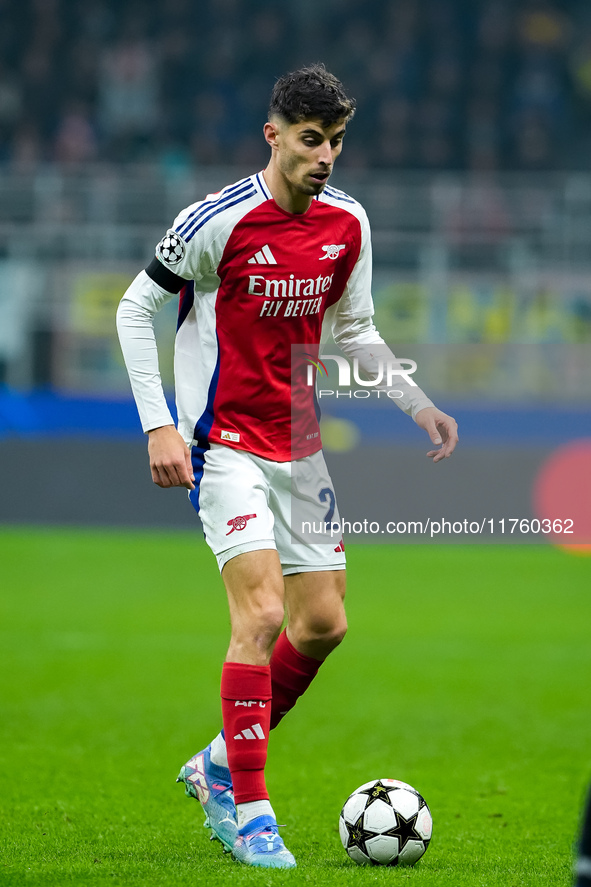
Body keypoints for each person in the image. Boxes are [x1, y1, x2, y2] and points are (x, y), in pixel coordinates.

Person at [116, 63, 458, 870]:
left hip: (299, 445)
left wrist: (418, 404)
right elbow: (136, 306)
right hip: (225, 442)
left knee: (324, 623)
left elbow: (357, 331)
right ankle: (250, 807)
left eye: (336, 141)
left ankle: (216, 764)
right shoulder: (217, 220)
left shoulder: (348, 224)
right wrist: (159, 425)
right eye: (311, 140)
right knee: (262, 614)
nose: (326, 155)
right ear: (273, 136)